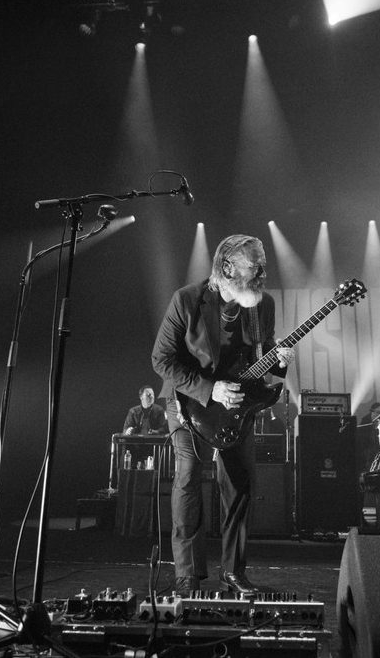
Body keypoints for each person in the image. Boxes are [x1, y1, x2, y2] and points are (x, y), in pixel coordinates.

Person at [152, 234, 294, 594]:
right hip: (188, 403)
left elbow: (263, 361)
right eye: (253, 266)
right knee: (188, 479)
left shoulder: (262, 305)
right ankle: (188, 573)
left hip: (237, 407)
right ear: (227, 267)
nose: (262, 272)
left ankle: (233, 572)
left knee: (240, 485)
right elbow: (161, 359)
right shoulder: (186, 300)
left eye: (263, 265)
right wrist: (208, 388)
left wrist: (278, 363)